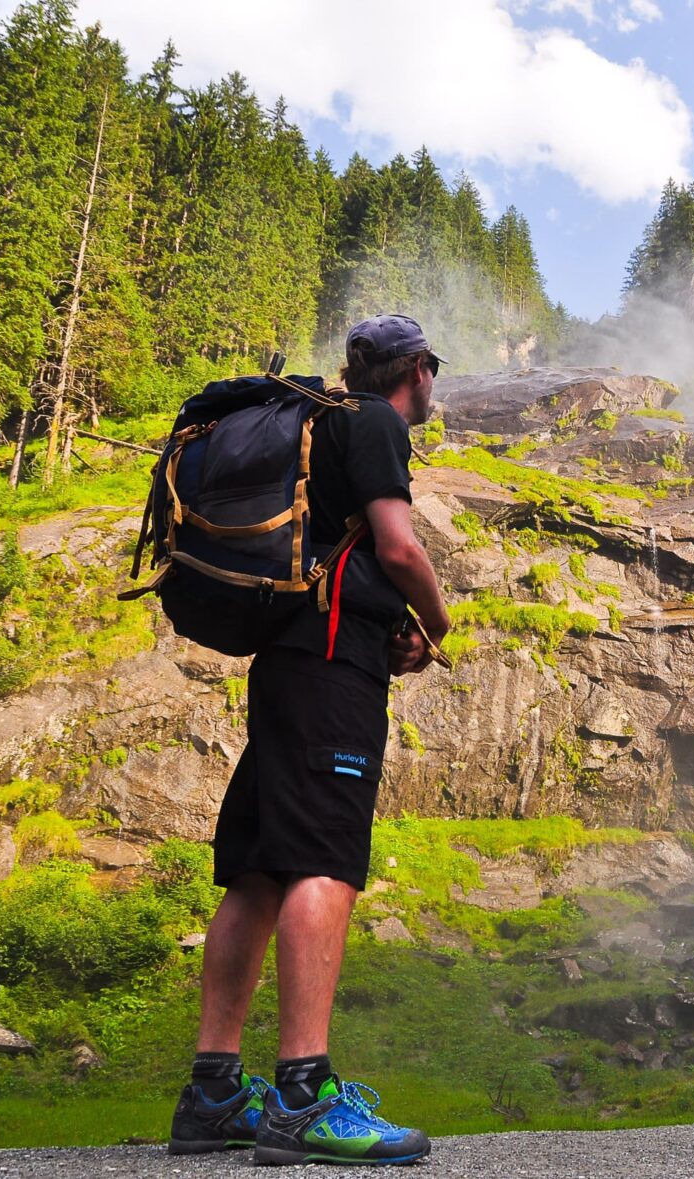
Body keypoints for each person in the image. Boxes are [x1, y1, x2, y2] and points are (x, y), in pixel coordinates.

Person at [167, 314, 453, 1166]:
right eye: (433, 368)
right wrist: (435, 624)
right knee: (322, 862)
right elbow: (398, 547)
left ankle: (214, 1091)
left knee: (259, 869)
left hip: (286, 660)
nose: (435, 382)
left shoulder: (317, 421)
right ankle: (304, 1094)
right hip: (333, 669)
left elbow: (345, 550)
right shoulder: (373, 422)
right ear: (415, 370)